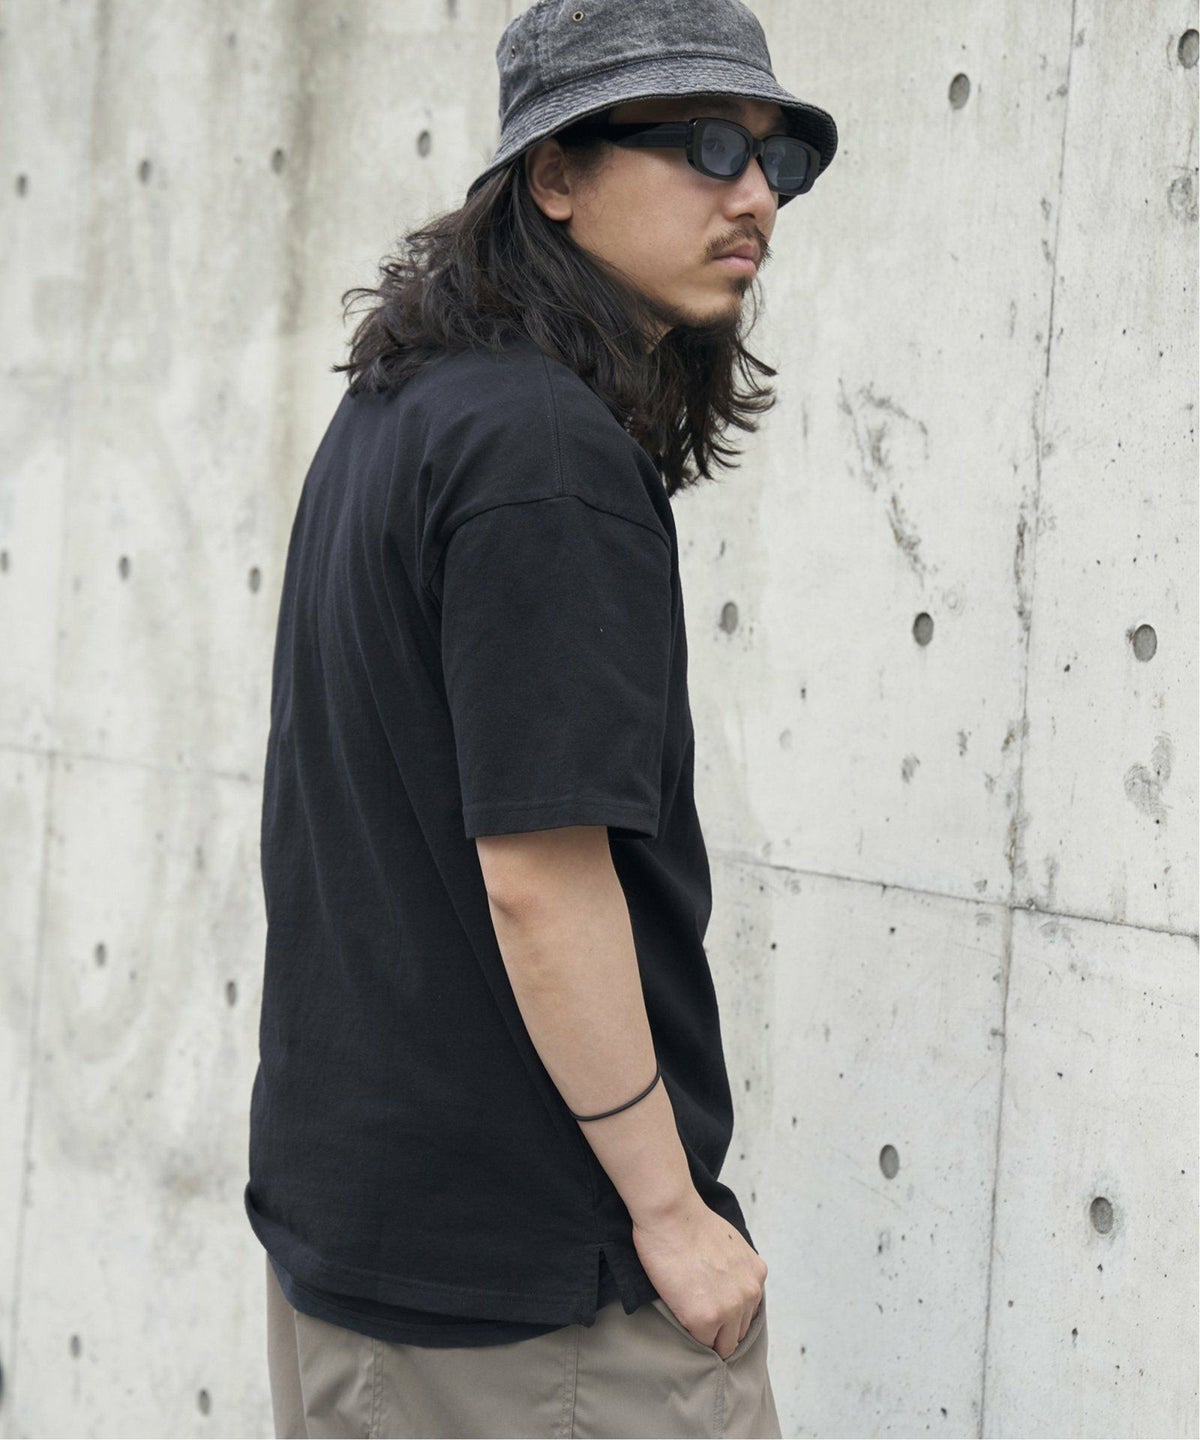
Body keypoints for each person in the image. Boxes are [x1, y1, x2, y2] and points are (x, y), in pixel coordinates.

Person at [244, 0, 837, 1434]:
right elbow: (541, 878)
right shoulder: (545, 456)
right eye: (704, 146)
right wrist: (672, 1214)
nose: (755, 197)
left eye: (774, 159)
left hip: (385, 1253)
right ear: (554, 175)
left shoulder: (403, 410)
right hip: (537, 1308)